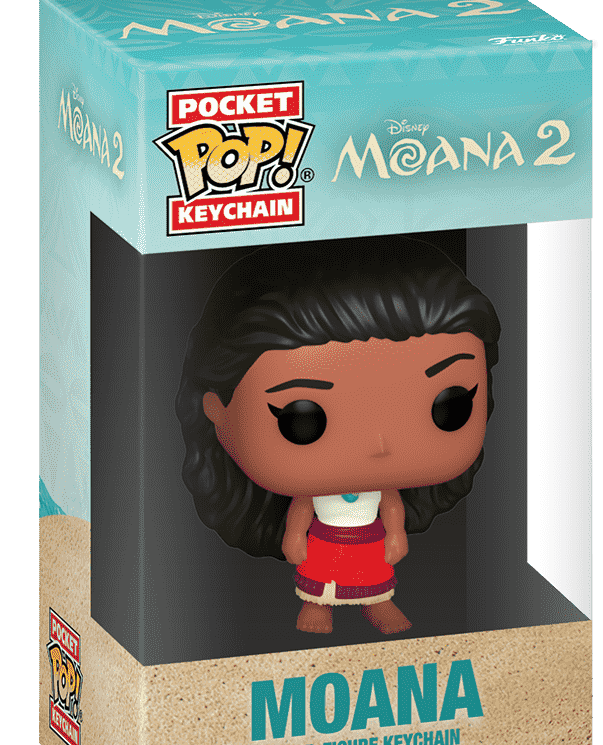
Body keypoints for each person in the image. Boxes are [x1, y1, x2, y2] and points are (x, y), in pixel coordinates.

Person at [176, 235, 500, 634]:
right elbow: (301, 512)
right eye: (302, 420)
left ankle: (377, 605)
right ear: (218, 411)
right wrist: (295, 537)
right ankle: (316, 608)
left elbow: (392, 508)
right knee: (322, 580)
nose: (379, 445)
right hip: (325, 542)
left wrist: (396, 535)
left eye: (449, 406)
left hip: (370, 542)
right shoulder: (310, 493)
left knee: (373, 579)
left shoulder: (384, 490)